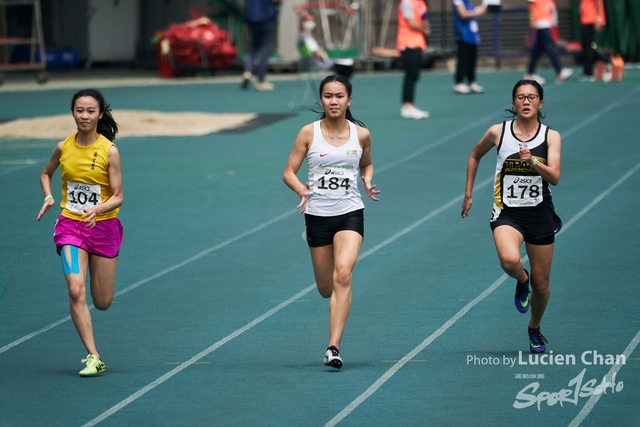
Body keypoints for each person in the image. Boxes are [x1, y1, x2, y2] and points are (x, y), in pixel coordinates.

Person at [283, 75, 380, 368]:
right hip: (317, 216)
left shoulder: (360, 134)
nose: (334, 101)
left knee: (343, 276)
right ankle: (333, 337)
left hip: (350, 212)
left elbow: (367, 163)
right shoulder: (307, 133)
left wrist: (368, 180)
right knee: (326, 288)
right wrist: (301, 188)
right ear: (321, 100)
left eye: (339, 96)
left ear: (349, 100)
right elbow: (288, 171)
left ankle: (333, 347)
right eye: (328, 96)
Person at [461, 80, 562, 354]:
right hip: (507, 213)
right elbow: (474, 155)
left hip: (540, 214)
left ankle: (534, 328)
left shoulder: (550, 137)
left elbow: (555, 176)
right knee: (509, 260)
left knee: (542, 286)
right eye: (520, 97)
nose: (526, 102)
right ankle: (521, 280)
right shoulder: (499, 133)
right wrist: (468, 194)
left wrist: (533, 162)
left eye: (532, 97)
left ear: (541, 103)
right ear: (513, 103)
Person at [36, 88, 124, 376]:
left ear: (99, 114)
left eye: (90, 111)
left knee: (103, 302)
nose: (84, 116)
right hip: (70, 226)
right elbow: (46, 173)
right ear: (72, 113)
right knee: (75, 289)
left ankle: (94, 345)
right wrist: (49, 196)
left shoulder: (109, 151)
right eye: (79, 110)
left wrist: (97, 210)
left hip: (103, 227)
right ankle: (93, 356)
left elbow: (118, 196)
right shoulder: (63, 147)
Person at [525, 0, 573, 85]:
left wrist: (551, 7)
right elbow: (530, 5)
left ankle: (530, 73)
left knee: (537, 50)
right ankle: (560, 72)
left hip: (546, 21)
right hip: (540, 22)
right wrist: (532, 19)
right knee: (550, 47)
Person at [397, 0, 430, 119]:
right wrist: (424, 29)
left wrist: (425, 27)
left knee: (415, 75)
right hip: (407, 43)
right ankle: (407, 106)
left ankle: (410, 104)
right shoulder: (406, 2)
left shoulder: (421, 2)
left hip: (418, 43)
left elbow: (423, 18)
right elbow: (411, 22)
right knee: (410, 74)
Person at [298, 12, 354, 79]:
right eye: (308, 20)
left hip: (310, 63)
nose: (311, 23)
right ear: (302, 22)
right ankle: (338, 85)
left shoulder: (304, 35)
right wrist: (329, 58)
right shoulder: (306, 37)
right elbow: (318, 54)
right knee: (347, 68)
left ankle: (337, 83)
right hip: (316, 63)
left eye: (312, 20)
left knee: (345, 64)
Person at [240, 0, 282, 91]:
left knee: (253, 47)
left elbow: (245, 4)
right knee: (265, 49)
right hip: (267, 17)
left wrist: (246, 19)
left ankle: (247, 71)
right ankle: (260, 80)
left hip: (252, 18)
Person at [452, 0, 488, 94]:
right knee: (463, 59)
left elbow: (471, 12)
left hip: (472, 35)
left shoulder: (468, 2)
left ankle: (471, 82)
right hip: (463, 34)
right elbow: (463, 14)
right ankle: (459, 83)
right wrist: (477, 12)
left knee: (472, 59)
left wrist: (480, 8)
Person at [578, 0, 612, 82]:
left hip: (591, 20)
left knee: (588, 48)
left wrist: (598, 19)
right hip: (585, 20)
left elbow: (598, 3)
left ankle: (589, 73)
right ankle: (608, 61)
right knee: (587, 47)